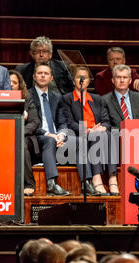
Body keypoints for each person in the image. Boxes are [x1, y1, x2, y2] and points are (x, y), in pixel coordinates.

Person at [61, 67, 119, 196]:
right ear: (73, 80)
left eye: (85, 77)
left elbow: (106, 120)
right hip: (81, 135)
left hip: (98, 132)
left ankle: (112, 178)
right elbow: (69, 122)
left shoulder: (98, 99)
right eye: (78, 77)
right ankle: (96, 178)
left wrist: (103, 127)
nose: (81, 80)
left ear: (88, 81)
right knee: (96, 136)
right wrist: (87, 130)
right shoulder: (67, 99)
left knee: (109, 134)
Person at [28, 62, 71, 196]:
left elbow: (62, 122)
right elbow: (32, 123)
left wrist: (61, 135)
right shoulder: (28, 95)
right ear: (34, 76)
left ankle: (86, 184)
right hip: (37, 137)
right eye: (40, 73)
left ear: (51, 78)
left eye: (46, 73)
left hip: (56, 136)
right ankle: (51, 183)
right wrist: (50, 135)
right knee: (49, 141)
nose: (42, 76)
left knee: (80, 141)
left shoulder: (57, 97)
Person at [95, 47, 139, 117]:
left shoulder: (130, 72)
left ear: (124, 61)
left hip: (132, 103)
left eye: (118, 59)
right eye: (111, 60)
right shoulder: (101, 76)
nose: (115, 62)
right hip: (113, 106)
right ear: (108, 62)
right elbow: (103, 100)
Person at [9, 70, 41, 196]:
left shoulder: (26, 99)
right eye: (8, 82)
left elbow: (34, 122)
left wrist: (17, 132)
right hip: (2, 136)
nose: (11, 84)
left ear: (19, 86)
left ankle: (29, 184)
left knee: (20, 144)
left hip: (24, 136)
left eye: (14, 82)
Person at [102, 64, 139, 130]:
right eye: (118, 77)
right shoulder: (104, 100)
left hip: (138, 135)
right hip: (116, 137)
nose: (122, 80)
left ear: (130, 80)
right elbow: (106, 125)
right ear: (113, 80)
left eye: (125, 77)